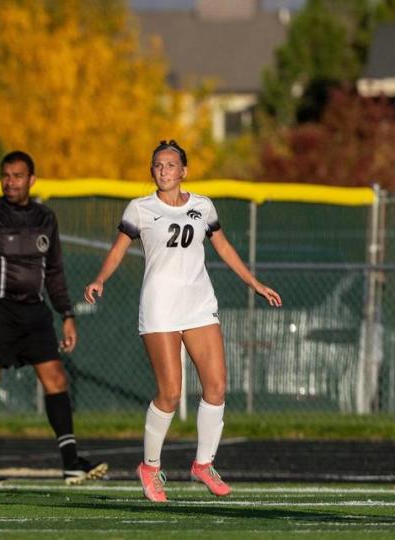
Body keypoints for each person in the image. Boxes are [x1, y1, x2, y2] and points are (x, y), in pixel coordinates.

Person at [84, 139, 282, 503]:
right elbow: (117, 250)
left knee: (217, 386)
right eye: (158, 165)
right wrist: (99, 279)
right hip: (160, 305)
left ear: (184, 171)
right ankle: (149, 467)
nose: (163, 170)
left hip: (198, 302)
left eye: (170, 165)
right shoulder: (140, 208)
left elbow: (222, 247)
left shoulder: (202, 206)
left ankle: (203, 464)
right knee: (171, 393)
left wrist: (253, 283)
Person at [0, 150, 108, 486]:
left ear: (32, 180)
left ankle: (71, 463)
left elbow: (54, 271)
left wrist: (67, 314)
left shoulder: (45, 218)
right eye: (6, 176)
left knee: (56, 379)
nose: (10, 182)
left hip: (34, 313)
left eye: (17, 176)